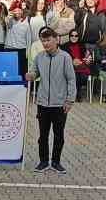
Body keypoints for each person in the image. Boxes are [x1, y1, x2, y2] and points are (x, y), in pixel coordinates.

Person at [28, 27, 74, 174]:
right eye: (43, 41)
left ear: (56, 40)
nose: (46, 43)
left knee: (59, 135)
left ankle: (56, 161)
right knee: (43, 136)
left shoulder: (65, 57)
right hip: (42, 103)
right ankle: (43, 161)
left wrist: (70, 100)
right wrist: (31, 75)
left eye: (48, 40)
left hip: (60, 103)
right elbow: (34, 73)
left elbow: (71, 80)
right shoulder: (39, 57)